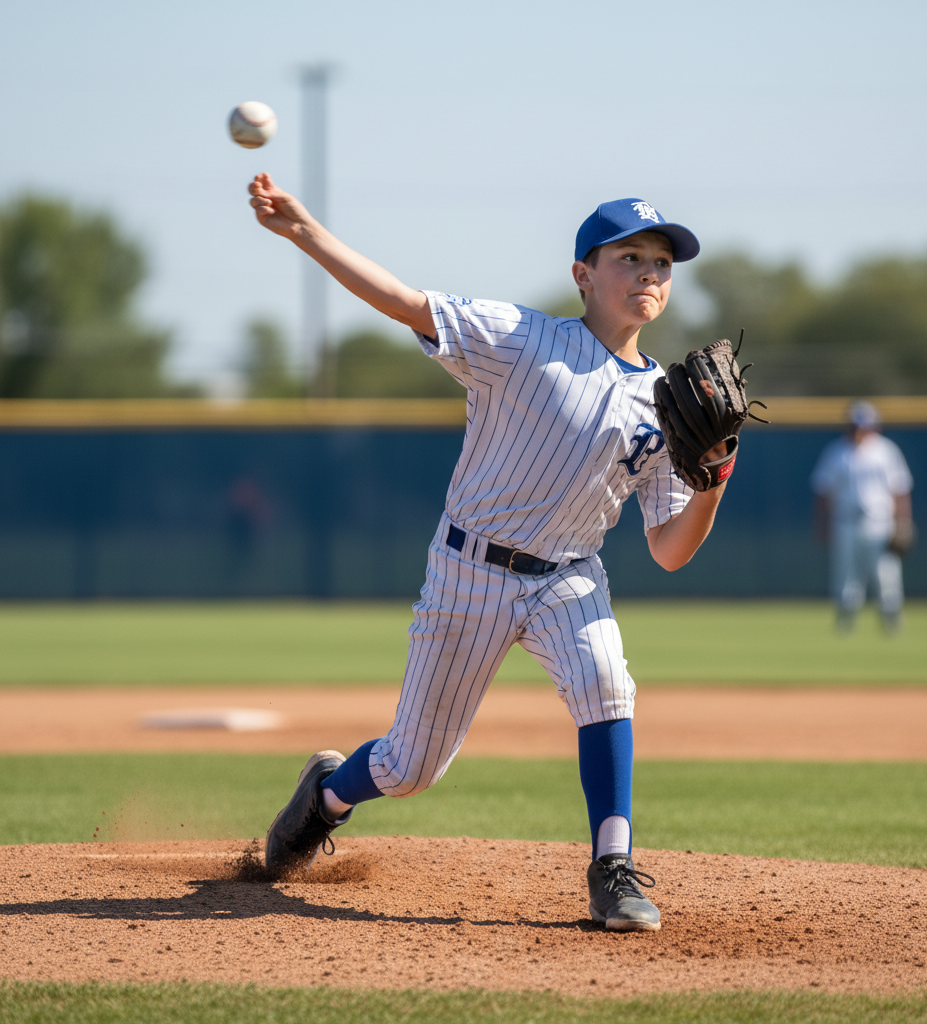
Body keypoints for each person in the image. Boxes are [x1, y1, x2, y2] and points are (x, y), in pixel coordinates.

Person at [248, 177, 732, 932]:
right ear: (583, 274)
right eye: (630, 257)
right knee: (410, 768)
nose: (649, 273)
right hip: (468, 570)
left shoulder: (672, 404)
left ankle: (612, 867)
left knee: (608, 685)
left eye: (662, 263)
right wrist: (306, 232)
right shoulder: (521, 339)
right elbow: (405, 302)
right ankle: (326, 797)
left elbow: (670, 551)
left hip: (569, 575)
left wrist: (715, 480)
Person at [810, 401, 914, 632]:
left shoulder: (886, 451)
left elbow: (900, 489)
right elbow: (823, 491)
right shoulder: (837, 452)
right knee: (846, 577)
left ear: (874, 426)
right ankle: (846, 622)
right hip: (846, 523)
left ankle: (892, 620)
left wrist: (903, 522)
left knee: (886, 575)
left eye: (864, 426)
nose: (859, 431)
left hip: (880, 523)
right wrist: (823, 524)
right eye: (855, 426)